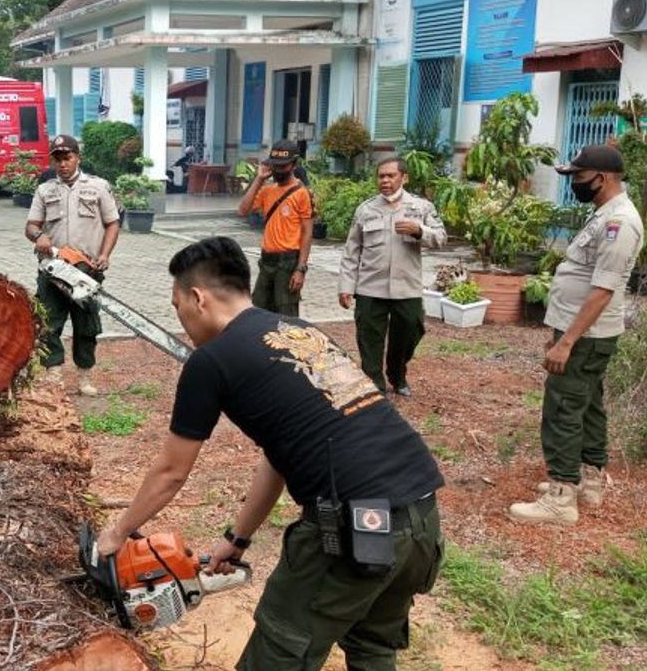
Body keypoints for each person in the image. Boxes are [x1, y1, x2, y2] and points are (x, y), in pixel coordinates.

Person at [96, 236, 445, 671]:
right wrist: (236, 539)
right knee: (372, 645)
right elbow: (280, 455)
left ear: (197, 297)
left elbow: (170, 471)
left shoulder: (211, 361)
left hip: (355, 528)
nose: (180, 317)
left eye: (177, 305)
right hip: (421, 517)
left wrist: (117, 532)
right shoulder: (298, 331)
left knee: (280, 654)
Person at [509, 144, 644, 525]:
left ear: (601, 179)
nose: (574, 184)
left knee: (564, 407)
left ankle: (561, 496)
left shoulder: (620, 223)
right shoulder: (605, 214)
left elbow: (602, 290)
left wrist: (567, 341)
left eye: (579, 178)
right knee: (588, 403)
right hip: (582, 330)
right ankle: (589, 479)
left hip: (585, 334)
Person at [338, 156, 447, 396]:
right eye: (381, 176)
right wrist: (346, 286)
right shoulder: (366, 209)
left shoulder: (421, 208)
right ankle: (375, 385)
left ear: (404, 178)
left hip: (406, 288)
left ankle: (397, 375)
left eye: (391, 175)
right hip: (369, 287)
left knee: (410, 332)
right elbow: (352, 250)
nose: (385, 180)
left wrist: (420, 230)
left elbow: (441, 238)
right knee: (369, 340)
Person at [25, 134, 120, 396]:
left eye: (67, 157)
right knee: (48, 323)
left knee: (86, 324)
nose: (62, 164)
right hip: (53, 268)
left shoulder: (98, 187)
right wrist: (38, 236)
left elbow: (112, 222)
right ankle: (53, 374)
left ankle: (85, 377)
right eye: (57, 159)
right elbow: (31, 225)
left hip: (86, 269)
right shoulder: (45, 190)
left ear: (78, 157)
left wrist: (105, 254)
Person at [236, 140, 314, 317]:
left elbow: (307, 233)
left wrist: (300, 269)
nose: (278, 170)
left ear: (294, 164)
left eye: (283, 166)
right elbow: (242, 210)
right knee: (258, 314)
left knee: (286, 316)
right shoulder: (267, 191)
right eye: (275, 165)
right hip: (267, 261)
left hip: (288, 263)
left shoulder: (302, 193)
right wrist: (260, 178)